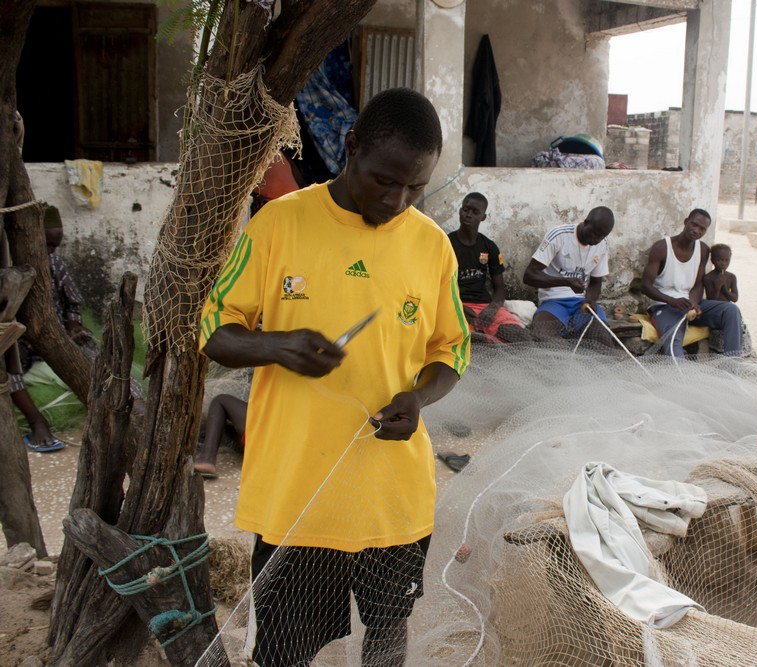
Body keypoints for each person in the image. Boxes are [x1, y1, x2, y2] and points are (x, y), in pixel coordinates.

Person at [199, 87, 469, 667]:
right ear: (350, 147)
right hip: (298, 496)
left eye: (415, 187)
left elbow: (453, 349)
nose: (398, 200)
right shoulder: (280, 224)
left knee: (388, 633)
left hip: (392, 497)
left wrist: (418, 398)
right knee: (286, 652)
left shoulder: (432, 246)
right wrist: (277, 346)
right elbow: (215, 332)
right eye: (384, 181)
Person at [11, 204, 96, 452]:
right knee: (7, 368)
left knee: (95, 354)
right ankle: (37, 421)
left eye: (55, 247)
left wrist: (73, 325)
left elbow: (72, 301)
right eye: (47, 245)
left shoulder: (54, 262)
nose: (51, 252)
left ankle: (129, 406)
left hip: (55, 337)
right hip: (19, 343)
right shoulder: (10, 265)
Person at [640, 208, 742, 358]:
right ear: (686, 221)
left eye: (702, 229)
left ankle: (733, 368)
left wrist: (694, 303)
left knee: (731, 310)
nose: (696, 231)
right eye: (694, 224)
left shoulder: (703, 250)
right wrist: (672, 301)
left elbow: (698, 284)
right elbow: (645, 286)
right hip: (664, 305)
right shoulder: (662, 248)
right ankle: (680, 376)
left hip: (689, 305)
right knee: (674, 338)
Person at [522, 207, 617, 347]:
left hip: (581, 303)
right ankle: (565, 363)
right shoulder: (559, 236)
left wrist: (590, 300)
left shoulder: (602, 244)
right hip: (553, 302)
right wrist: (566, 282)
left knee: (602, 341)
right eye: (594, 234)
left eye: (602, 236)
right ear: (586, 222)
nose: (596, 240)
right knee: (541, 334)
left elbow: (596, 282)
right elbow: (529, 276)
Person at [448, 192, 530, 344]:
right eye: (466, 210)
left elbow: (499, 288)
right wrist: (458, 307)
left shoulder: (489, 246)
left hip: (484, 306)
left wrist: (492, 309)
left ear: (483, 217)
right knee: (469, 340)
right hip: (455, 305)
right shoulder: (446, 244)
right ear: (460, 211)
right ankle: (486, 339)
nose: (468, 215)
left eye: (475, 212)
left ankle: (490, 338)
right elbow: (437, 286)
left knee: (521, 338)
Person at [193, 392, 248, 479]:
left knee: (220, 401)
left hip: (269, 431)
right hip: (270, 448)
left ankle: (207, 459)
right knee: (225, 428)